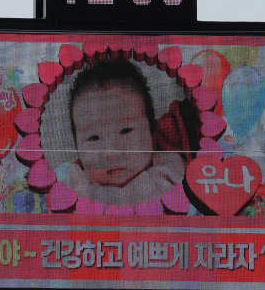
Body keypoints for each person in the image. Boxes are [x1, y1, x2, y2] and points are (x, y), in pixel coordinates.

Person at [57, 59, 195, 207]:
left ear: (152, 133)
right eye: (93, 138)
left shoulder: (169, 169)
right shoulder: (75, 183)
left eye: (126, 131)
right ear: (77, 147)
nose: (111, 152)